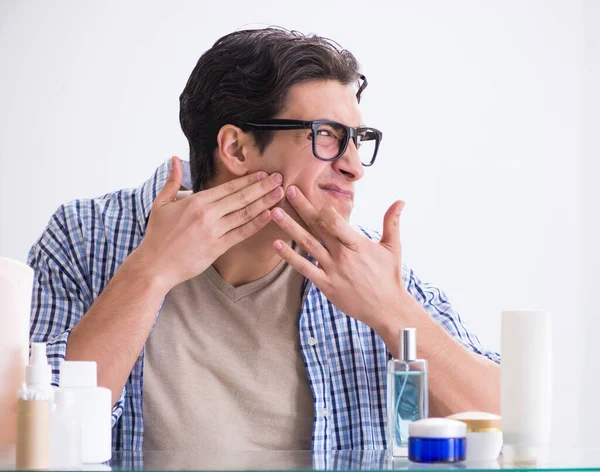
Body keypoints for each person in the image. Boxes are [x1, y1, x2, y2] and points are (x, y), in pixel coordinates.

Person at [28, 27, 500, 452]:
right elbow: (23, 433)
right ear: (236, 147)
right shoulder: (85, 238)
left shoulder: (364, 267)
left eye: (358, 139)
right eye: (327, 136)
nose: (354, 166)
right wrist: (150, 273)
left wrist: (392, 310)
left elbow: (505, 422)